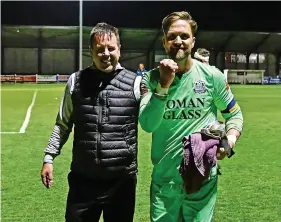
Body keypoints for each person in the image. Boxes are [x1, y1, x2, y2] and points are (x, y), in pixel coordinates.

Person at [139, 11, 243, 222]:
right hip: (165, 182)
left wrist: (229, 141)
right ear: (164, 42)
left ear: (193, 41)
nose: (178, 41)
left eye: (184, 36)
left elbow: (234, 114)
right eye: (172, 37)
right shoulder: (150, 79)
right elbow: (147, 124)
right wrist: (163, 86)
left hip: (202, 179)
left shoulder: (211, 76)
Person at [40, 22, 142, 222]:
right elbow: (62, 124)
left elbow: (152, 122)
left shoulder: (136, 83)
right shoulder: (75, 81)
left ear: (119, 49)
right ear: (91, 52)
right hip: (83, 181)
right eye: (99, 49)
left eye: (111, 48)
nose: (105, 53)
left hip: (121, 182)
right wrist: (49, 157)